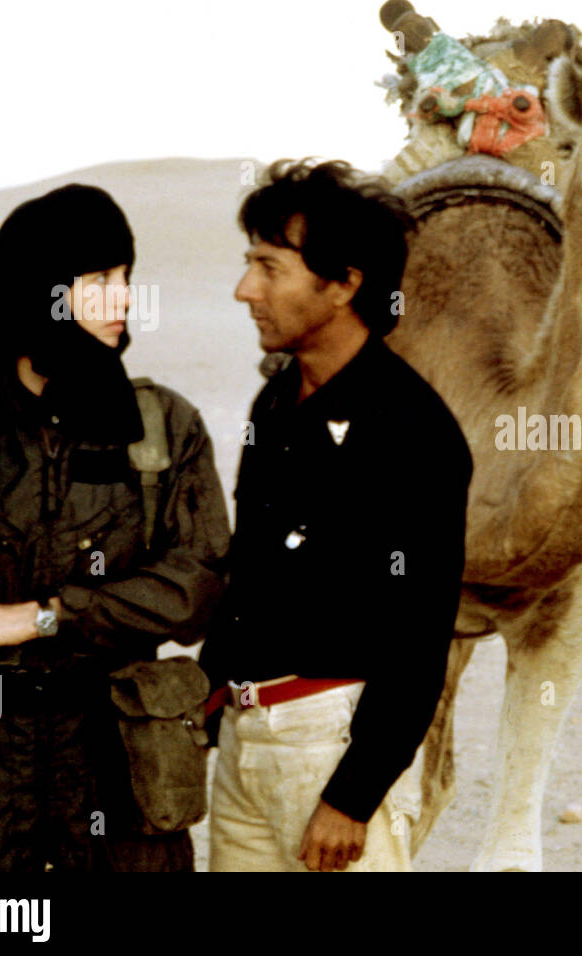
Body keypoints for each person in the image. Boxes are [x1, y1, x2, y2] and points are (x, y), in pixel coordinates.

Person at [0, 184, 231, 871]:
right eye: (100, 280)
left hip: (113, 760)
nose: (124, 301)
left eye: (126, 278)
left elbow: (196, 588)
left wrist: (39, 618)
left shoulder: (163, 427)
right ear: (40, 288)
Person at [199, 159, 472, 873]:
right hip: (244, 738)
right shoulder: (276, 401)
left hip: (332, 745)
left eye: (269, 268)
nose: (244, 290)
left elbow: (421, 636)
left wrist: (352, 797)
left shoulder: (414, 429)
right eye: (247, 264)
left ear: (345, 282)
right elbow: (251, 575)